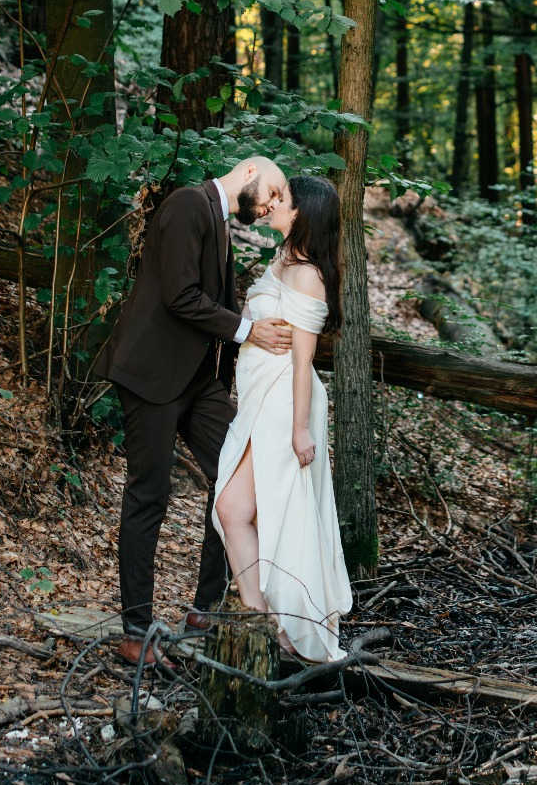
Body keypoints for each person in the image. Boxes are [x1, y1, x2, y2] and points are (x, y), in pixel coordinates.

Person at [98, 156, 292, 665]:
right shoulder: (188, 203)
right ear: (249, 172)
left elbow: (211, 303)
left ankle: (205, 610)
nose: (271, 205)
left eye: (278, 201)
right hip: (153, 374)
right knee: (149, 496)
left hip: (199, 382)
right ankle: (136, 633)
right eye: (272, 192)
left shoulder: (220, 221)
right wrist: (249, 331)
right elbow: (180, 296)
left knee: (237, 478)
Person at [213, 174, 351, 661]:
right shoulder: (283, 258)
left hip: (283, 401)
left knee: (255, 510)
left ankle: (279, 626)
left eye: (283, 199)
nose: (272, 204)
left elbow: (302, 360)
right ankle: (264, 623)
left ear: (302, 213)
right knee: (235, 510)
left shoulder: (308, 273)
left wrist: (298, 429)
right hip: (260, 398)